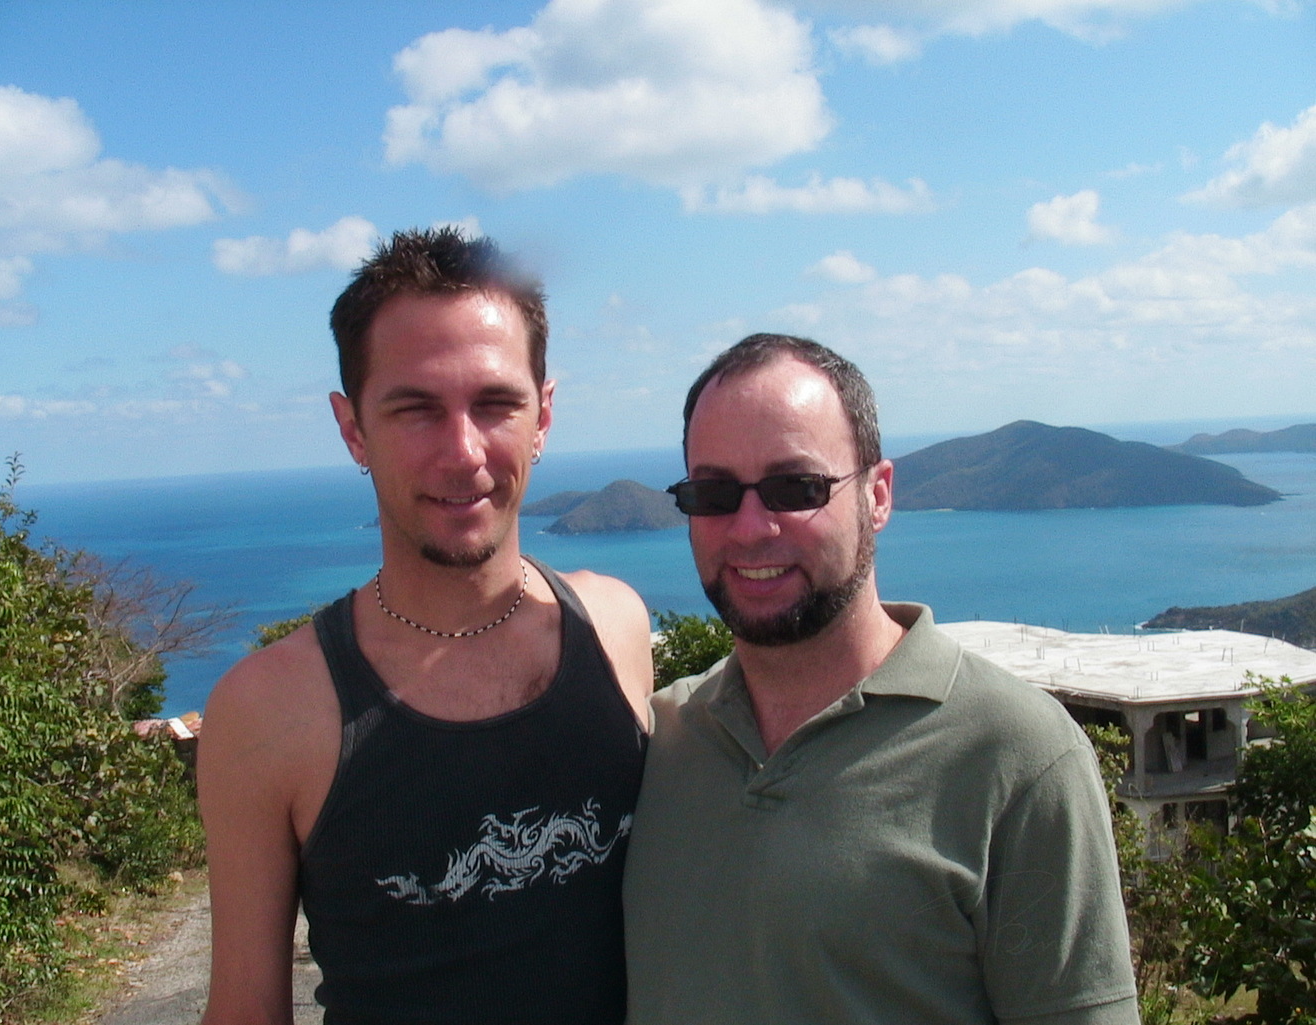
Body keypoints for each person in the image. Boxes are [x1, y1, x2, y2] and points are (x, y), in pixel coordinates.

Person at [198, 227, 653, 1025]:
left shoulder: (616, 626)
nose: (463, 452)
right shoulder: (270, 709)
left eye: (496, 404)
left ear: (544, 415)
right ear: (353, 429)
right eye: (416, 409)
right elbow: (246, 1009)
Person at [622, 334, 1139, 1025]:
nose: (749, 528)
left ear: (878, 495)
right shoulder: (662, 741)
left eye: (795, 487)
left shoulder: (1018, 757)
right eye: (714, 493)